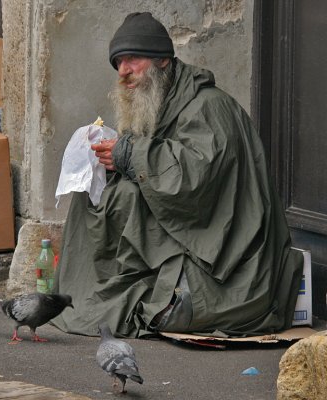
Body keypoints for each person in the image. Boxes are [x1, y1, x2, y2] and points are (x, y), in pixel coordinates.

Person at [52, 12, 303, 338]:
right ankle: (80, 294)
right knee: (97, 196)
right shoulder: (162, 103)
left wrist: (128, 153)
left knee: (171, 304)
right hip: (192, 232)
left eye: (133, 59)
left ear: (164, 62)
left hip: (232, 260)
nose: (124, 72)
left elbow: (195, 180)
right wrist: (111, 160)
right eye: (118, 63)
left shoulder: (208, 106)